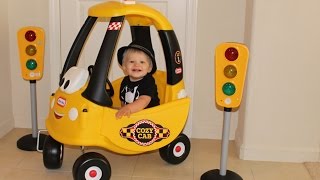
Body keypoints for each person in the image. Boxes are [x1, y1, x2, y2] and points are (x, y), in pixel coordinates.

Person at [115, 40, 160, 119]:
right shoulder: (125, 81)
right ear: (124, 67)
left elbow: (144, 100)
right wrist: (123, 110)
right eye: (132, 61)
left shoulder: (148, 81)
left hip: (150, 118)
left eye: (142, 62)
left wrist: (128, 108)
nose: (136, 65)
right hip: (134, 117)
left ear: (149, 68)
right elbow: (123, 101)